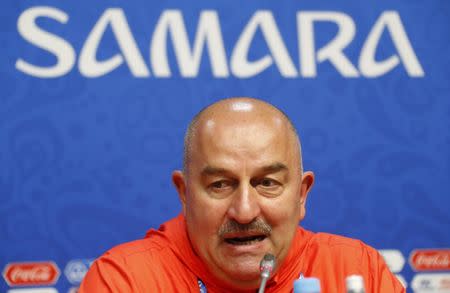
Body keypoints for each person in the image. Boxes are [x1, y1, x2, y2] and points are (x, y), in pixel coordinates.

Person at [79, 97, 405, 292]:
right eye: (220, 185)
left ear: (302, 195)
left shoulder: (359, 271)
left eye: (267, 183)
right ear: (184, 193)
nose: (245, 211)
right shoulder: (126, 280)